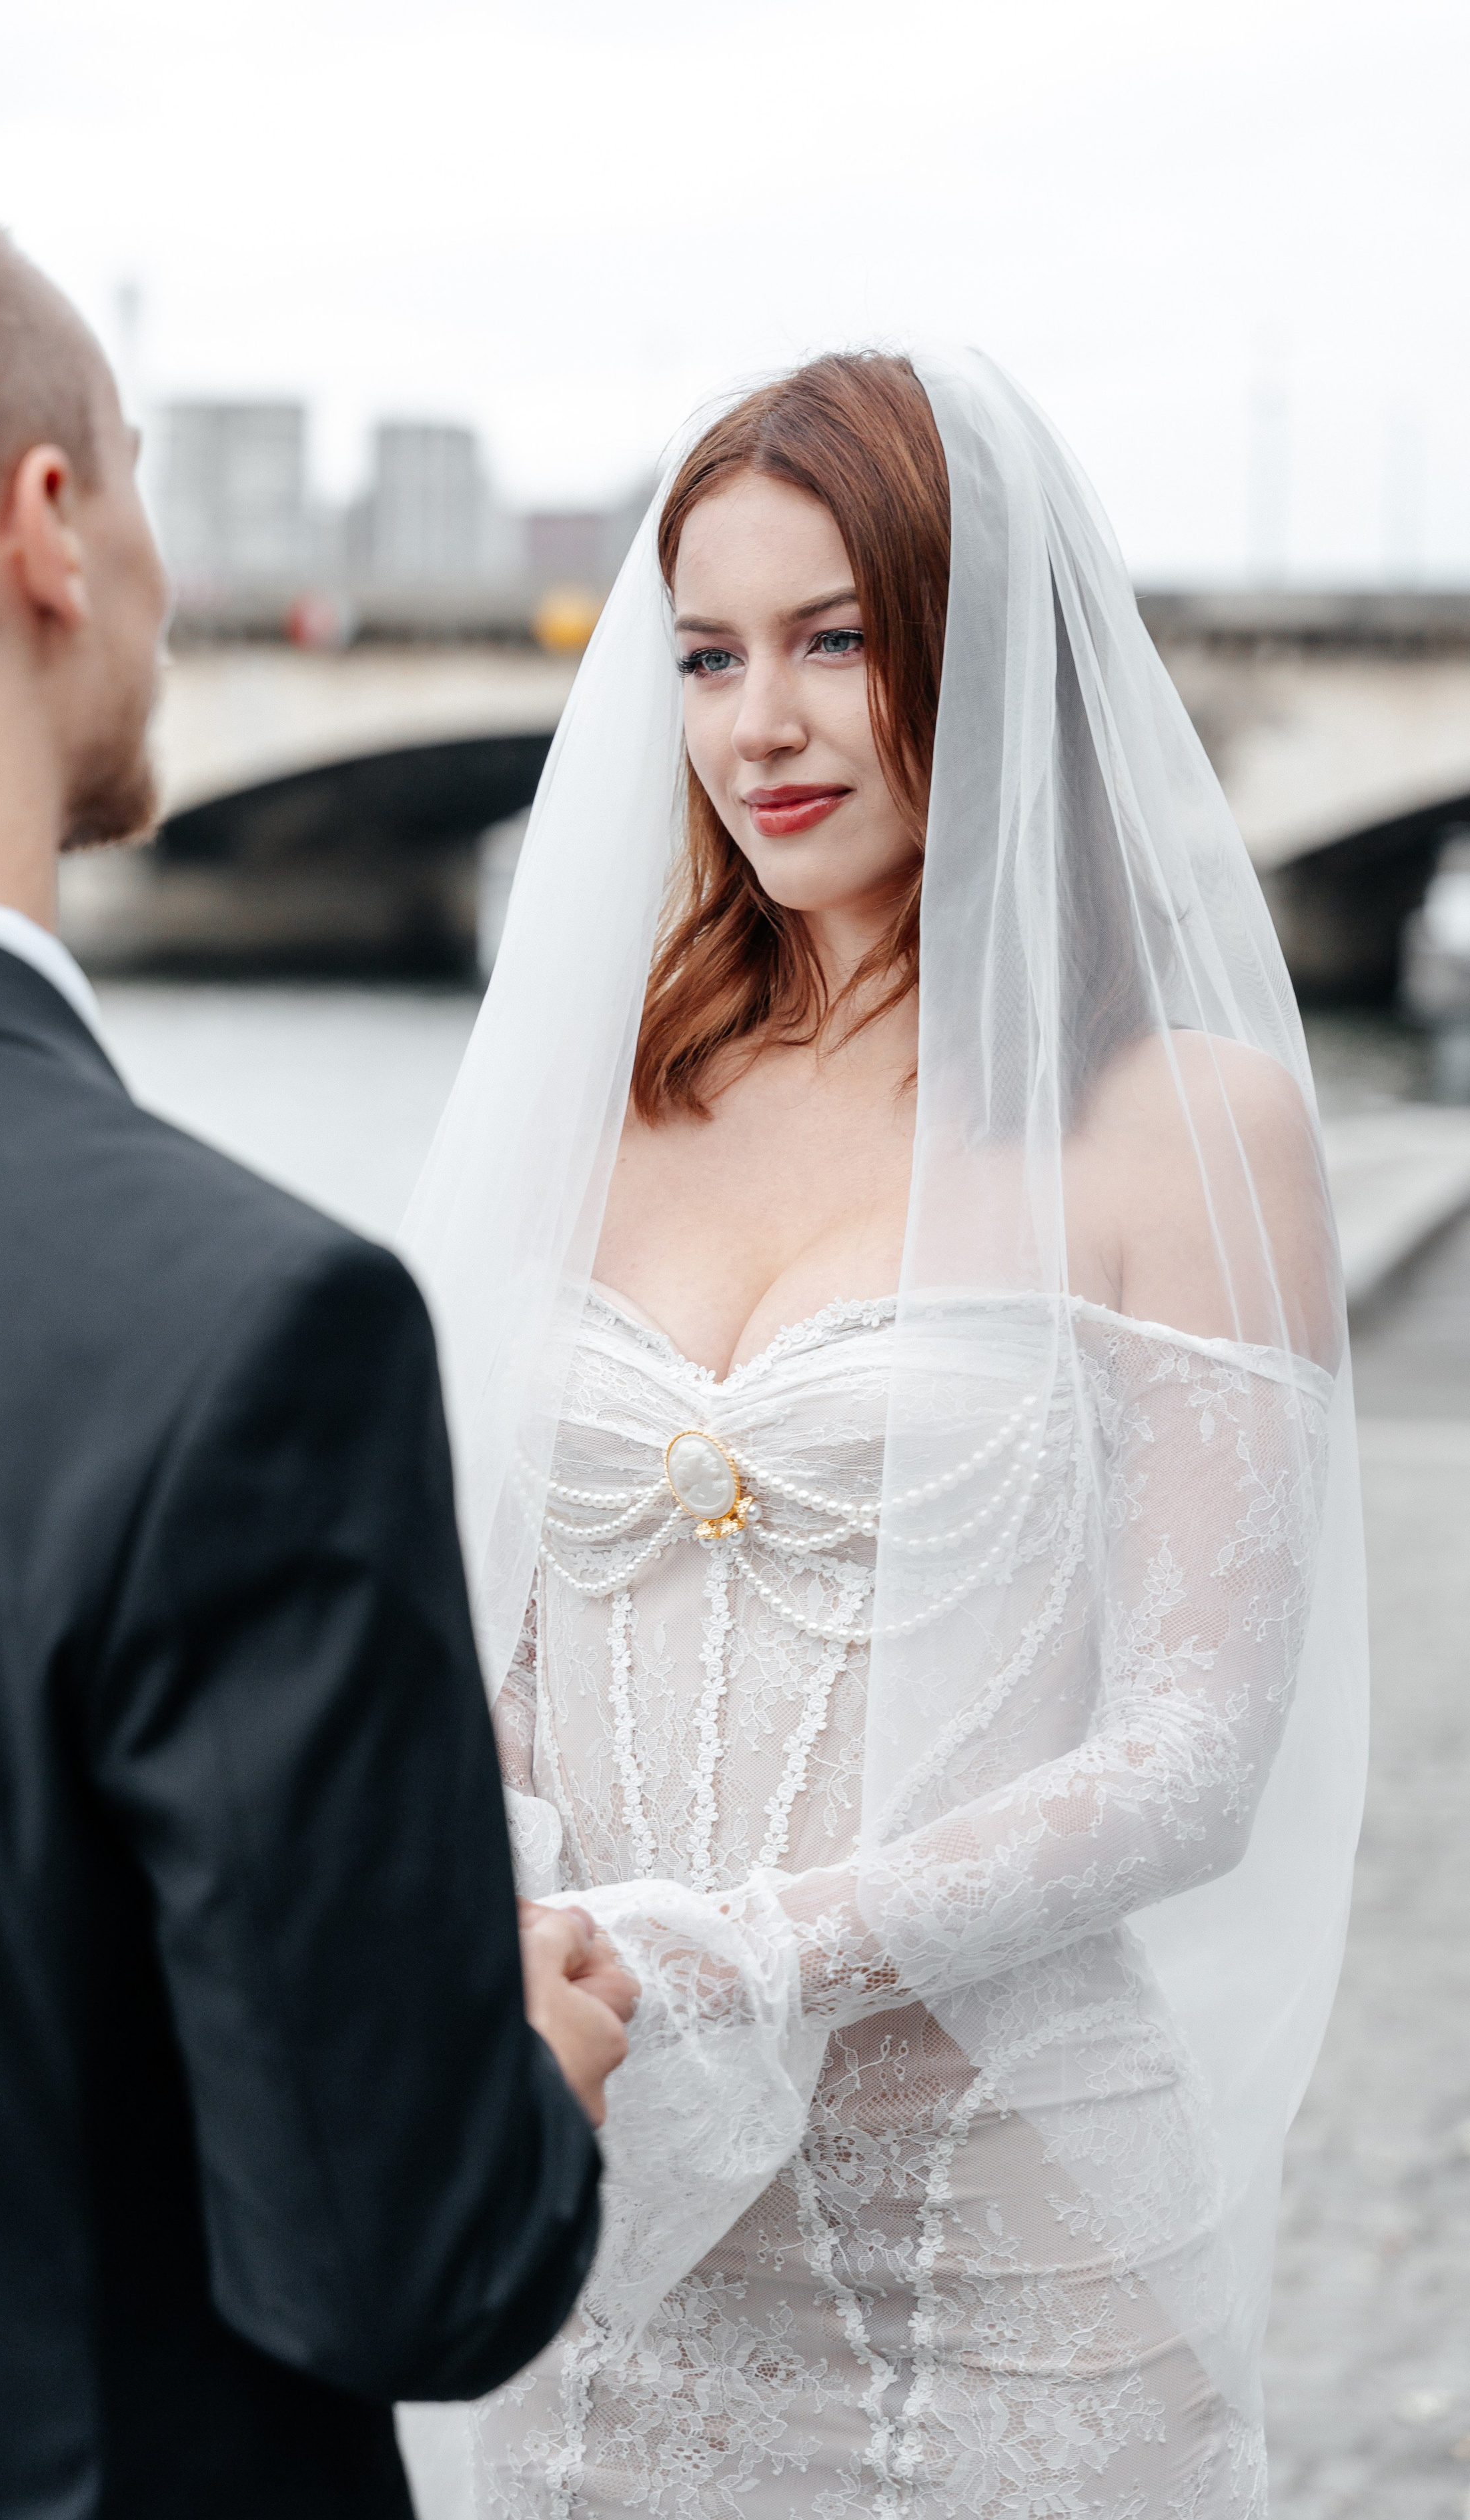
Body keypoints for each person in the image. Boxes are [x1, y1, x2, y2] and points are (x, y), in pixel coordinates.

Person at [403, 351, 1368, 2515]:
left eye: (838, 640)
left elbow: (1195, 1751)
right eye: (711, 655)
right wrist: (507, 1912)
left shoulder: (1186, 1125)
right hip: (618, 2226)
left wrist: (741, 1950)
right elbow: (490, 1647)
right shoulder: (606, 1100)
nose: (763, 726)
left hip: (1005, 2247)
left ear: (980, 644)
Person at [0, 168, 631, 2520]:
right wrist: (517, 2074)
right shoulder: (235, 1334)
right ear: (46, 524)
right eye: (138, 478)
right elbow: (405, 2263)